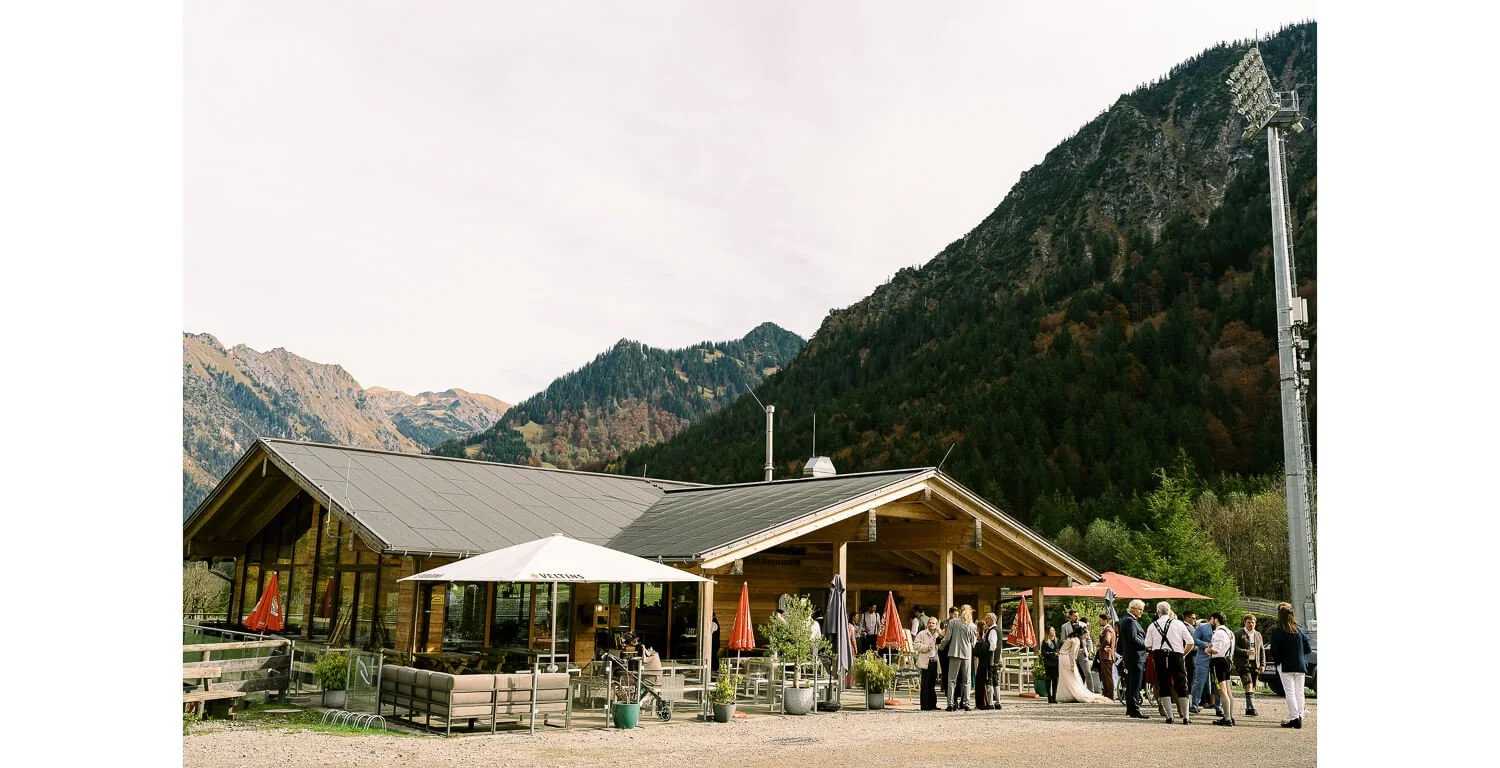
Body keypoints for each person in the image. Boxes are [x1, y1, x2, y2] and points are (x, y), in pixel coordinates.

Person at [1143, 601, 1194, 724]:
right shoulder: (1178, 624)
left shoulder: (1152, 625)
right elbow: (1190, 642)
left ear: (1158, 612)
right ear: (1170, 611)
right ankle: (1186, 716)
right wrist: (1183, 654)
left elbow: (1147, 644)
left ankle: (1169, 716)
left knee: (1163, 684)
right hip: (1176, 655)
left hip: (1160, 655)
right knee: (1181, 684)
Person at [1269, 601, 1312, 729]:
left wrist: (1278, 662)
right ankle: (1299, 714)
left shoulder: (1277, 631)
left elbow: (1274, 651)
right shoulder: (1300, 630)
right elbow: (1308, 649)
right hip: (1300, 664)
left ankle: (1294, 717)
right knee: (1299, 692)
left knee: (1290, 692)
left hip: (1285, 665)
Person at [1057, 624, 1112, 703]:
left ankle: (1067, 694)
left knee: (1066, 677)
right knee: (1072, 677)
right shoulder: (1076, 641)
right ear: (1082, 634)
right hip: (1067, 658)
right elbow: (1072, 654)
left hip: (1062, 657)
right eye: (1086, 635)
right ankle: (1073, 693)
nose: (1086, 637)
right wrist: (1072, 665)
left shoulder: (1071, 638)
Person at [939, 605, 977, 711]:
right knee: (967, 680)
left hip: (954, 652)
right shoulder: (972, 625)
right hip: (967, 654)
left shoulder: (953, 622)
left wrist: (941, 647)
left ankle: (950, 704)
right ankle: (966, 703)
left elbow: (947, 638)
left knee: (951, 680)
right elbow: (973, 643)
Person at [1117, 599, 1150, 719]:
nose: (1141, 612)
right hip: (1135, 657)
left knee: (1132, 684)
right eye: (1140, 609)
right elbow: (1133, 639)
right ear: (1133, 608)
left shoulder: (1127, 620)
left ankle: (1131, 709)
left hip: (1133, 656)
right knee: (1135, 685)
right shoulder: (1130, 621)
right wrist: (1146, 644)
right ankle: (1135, 709)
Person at [1206, 612, 1237, 726]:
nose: (1210, 621)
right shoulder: (1230, 632)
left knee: (1222, 690)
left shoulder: (1218, 633)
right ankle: (1230, 716)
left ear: (1216, 620)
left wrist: (1208, 649)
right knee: (1228, 690)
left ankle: (1227, 718)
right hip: (1227, 661)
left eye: (1212, 619)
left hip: (1218, 662)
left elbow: (1216, 650)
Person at [1234, 614, 1265, 717]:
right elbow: (1234, 648)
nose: (1251, 624)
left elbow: (1261, 650)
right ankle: (1251, 708)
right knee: (1249, 684)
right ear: (1245, 623)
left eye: (1253, 622)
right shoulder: (1238, 634)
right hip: (1243, 664)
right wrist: (1245, 652)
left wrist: (1262, 664)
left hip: (1255, 664)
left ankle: (1249, 707)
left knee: (1253, 686)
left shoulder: (1258, 635)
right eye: (1249, 622)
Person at [1189, 611, 1217, 715]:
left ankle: (1218, 706)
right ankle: (1194, 704)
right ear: (1212, 619)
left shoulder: (1222, 630)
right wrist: (1206, 644)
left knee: (1217, 683)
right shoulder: (1202, 628)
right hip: (1203, 658)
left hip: (1217, 658)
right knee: (1199, 682)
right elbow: (1194, 639)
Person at [1059, 609, 1094, 691]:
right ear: (1070, 616)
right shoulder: (1064, 627)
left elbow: (1089, 639)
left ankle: (1091, 691)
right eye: (1075, 616)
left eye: (1078, 616)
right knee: (1073, 674)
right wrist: (1072, 642)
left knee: (1087, 673)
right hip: (1071, 653)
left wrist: (1090, 650)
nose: (1077, 617)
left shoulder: (1083, 624)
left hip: (1082, 652)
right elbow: (1063, 640)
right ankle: (1076, 691)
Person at [913, 616, 943, 710]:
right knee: (925, 684)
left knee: (932, 685)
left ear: (936, 625)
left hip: (935, 662)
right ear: (927, 624)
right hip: (926, 661)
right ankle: (925, 705)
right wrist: (926, 648)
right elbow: (916, 645)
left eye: (933, 623)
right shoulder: (922, 633)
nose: (931, 624)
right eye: (930, 623)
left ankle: (933, 705)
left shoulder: (938, 634)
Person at [972, 612, 999, 710]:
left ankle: (990, 703)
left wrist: (981, 649)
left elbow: (992, 646)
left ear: (992, 619)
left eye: (987, 619)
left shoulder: (993, 631)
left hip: (988, 659)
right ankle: (996, 702)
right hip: (991, 659)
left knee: (989, 681)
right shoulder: (993, 630)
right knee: (993, 681)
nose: (985, 621)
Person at [1096, 614, 1118, 702]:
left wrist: (1101, 647)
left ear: (1105, 620)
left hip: (1106, 655)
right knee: (1105, 676)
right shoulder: (1107, 629)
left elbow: (1107, 640)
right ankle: (1107, 693)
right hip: (1106, 655)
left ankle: (1109, 694)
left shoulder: (1108, 629)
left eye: (1100, 620)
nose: (1099, 622)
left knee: (1107, 676)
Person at [1040, 626, 1061, 704]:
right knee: (1049, 680)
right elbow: (1043, 653)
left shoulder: (1057, 640)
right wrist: (1053, 653)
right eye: (1051, 630)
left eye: (1053, 630)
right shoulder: (1045, 642)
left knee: (1055, 680)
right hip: (1048, 663)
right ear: (1048, 632)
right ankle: (1049, 697)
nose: (1053, 631)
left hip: (1056, 663)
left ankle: (1054, 697)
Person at [710, 612, 721, 678]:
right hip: (715, 642)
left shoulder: (713, 623)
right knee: (713, 655)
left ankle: (716, 668)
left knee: (713, 655)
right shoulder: (714, 622)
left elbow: (709, 632)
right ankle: (715, 668)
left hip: (714, 642)